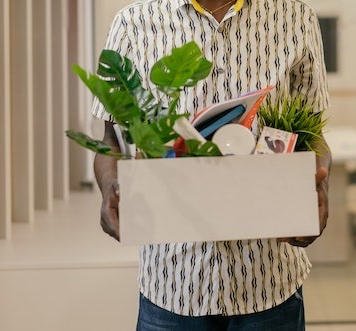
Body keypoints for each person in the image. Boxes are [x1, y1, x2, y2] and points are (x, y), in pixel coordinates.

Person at [90, 0, 331, 329]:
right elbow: (111, 138)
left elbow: (313, 133)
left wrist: (319, 187)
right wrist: (109, 190)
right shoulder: (133, 24)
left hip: (270, 280)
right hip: (171, 283)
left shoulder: (294, 17)